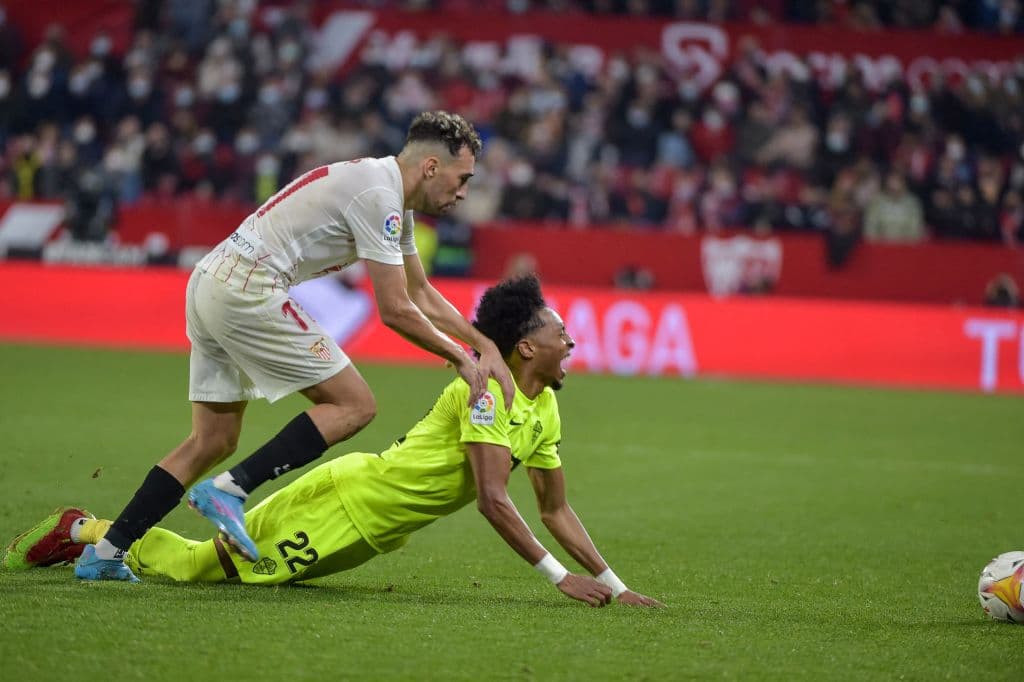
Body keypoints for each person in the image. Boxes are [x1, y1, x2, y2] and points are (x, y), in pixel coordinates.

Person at [5, 276, 664, 608]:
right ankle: (87, 529)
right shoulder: (485, 393)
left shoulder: (543, 407)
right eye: (561, 336)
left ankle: (102, 534)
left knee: (231, 578)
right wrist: (558, 579)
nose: (572, 344)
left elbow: (553, 507)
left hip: (372, 532)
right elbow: (493, 499)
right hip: (342, 505)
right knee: (199, 570)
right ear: (526, 348)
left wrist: (613, 581)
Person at [73, 110, 516, 582]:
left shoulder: (388, 195)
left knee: (212, 440)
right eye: (462, 177)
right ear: (431, 167)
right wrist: (459, 358)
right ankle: (231, 489)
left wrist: (483, 344)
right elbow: (394, 309)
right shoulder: (379, 194)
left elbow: (420, 292)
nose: (464, 192)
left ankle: (106, 551)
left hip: (210, 281)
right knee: (354, 404)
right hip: (249, 287)